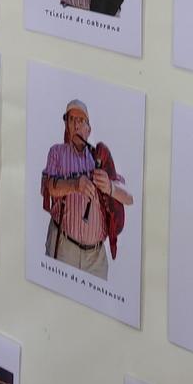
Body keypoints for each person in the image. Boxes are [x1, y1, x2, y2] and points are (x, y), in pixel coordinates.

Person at [41, 98, 131, 277]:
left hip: (96, 259)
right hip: (63, 248)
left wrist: (110, 187)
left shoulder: (100, 158)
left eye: (81, 120)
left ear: (89, 129)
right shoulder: (57, 152)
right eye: (71, 120)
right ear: (67, 126)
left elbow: (129, 198)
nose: (76, 125)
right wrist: (75, 185)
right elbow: (49, 187)